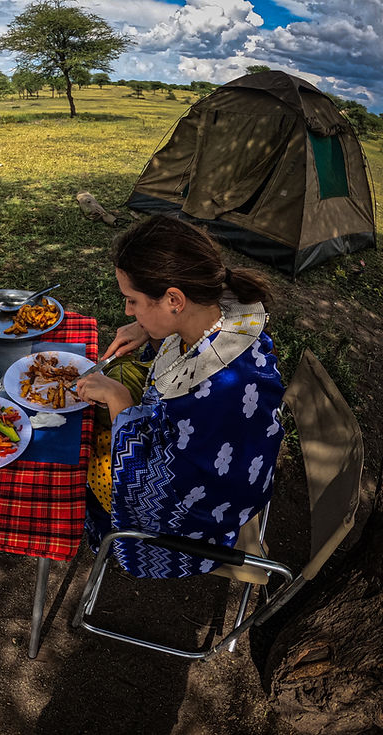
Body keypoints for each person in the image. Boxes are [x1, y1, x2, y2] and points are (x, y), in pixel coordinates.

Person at [76, 215, 284, 579]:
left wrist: (120, 401)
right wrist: (148, 328)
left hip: (199, 516)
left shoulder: (219, 392)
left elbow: (162, 490)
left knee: (82, 454)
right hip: (222, 464)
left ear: (174, 299)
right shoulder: (213, 314)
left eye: (133, 301)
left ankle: (104, 533)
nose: (127, 311)